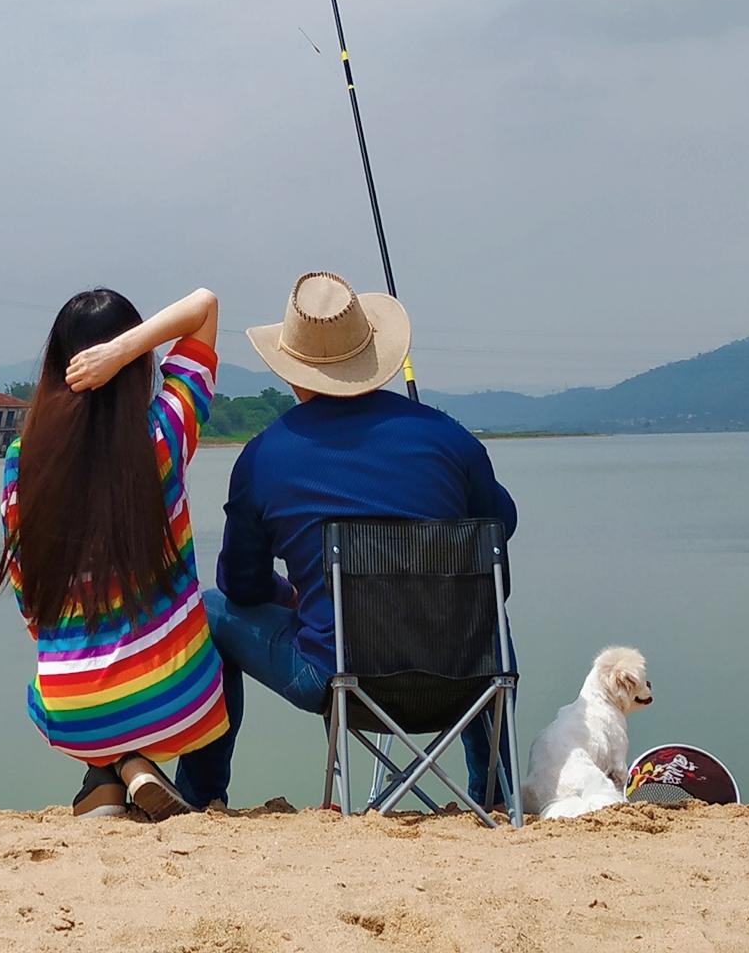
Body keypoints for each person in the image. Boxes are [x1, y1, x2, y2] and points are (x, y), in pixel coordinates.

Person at [173, 271, 518, 812]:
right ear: (373, 354)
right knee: (476, 616)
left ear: (292, 369)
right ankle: (494, 797)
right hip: (465, 681)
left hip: (335, 681)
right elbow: (499, 529)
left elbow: (238, 585)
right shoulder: (450, 437)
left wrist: (290, 592)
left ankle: (201, 798)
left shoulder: (263, 457)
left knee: (209, 611)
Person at [0, 286, 227, 820]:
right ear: (136, 363)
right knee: (217, 617)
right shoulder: (163, 435)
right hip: (177, 705)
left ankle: (111, 769)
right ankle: (177, 782)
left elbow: (29, 601)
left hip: (73, 709)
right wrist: (124, 351)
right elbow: (205, 305)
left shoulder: (21, 462)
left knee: (81, 685)